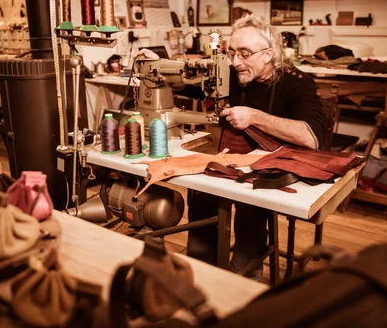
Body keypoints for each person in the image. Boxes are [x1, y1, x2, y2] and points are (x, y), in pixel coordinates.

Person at [135, 14, 324, 281]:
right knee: (199, 190)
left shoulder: (296, 83)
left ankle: (244, 274)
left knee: (250, 204)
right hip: (227, 158)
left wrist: (255, 116)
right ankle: (201, 266)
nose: (235, 62)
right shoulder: (232, 74)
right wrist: (158, 66)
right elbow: (193, 85)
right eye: (232, 53)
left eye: (245, 54)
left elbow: (312, 137)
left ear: (268, 54)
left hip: (265, 168)